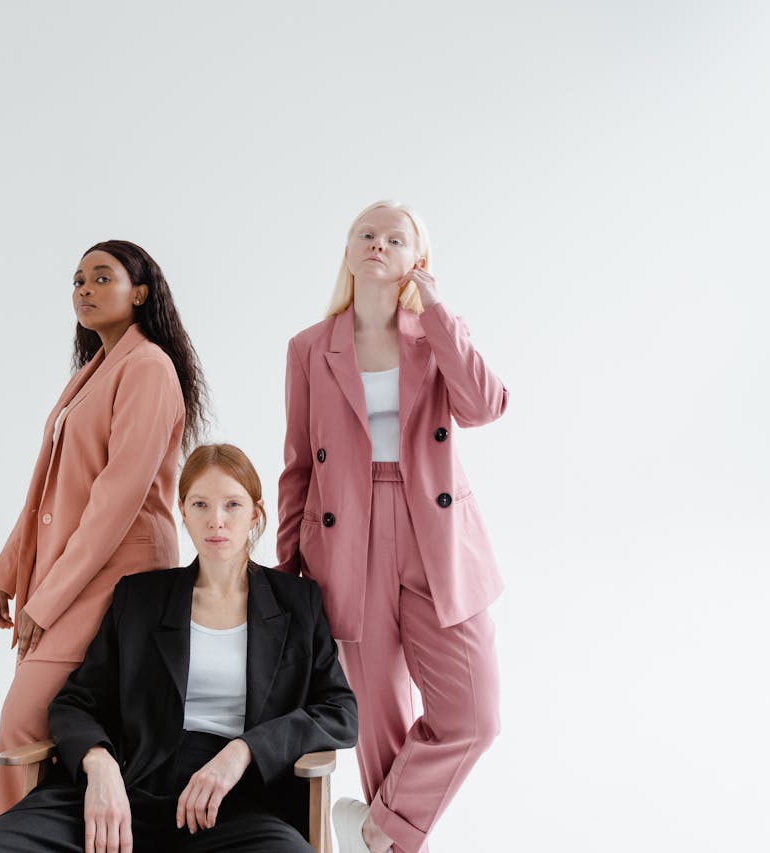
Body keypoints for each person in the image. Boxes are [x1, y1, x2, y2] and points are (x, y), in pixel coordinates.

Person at [0, 443, 358, 853]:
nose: (216, 521)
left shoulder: (297, 602)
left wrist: (245, 750)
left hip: (239, 805)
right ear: (182, 511)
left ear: (255, 512)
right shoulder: (140, 598)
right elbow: (76, 701)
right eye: (200, 504)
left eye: (232, 504)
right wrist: (99, 764)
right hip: (128, 786)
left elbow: (340, 711)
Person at [276, 201, 508, 853]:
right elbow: (297, 466)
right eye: (365, 233)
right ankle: (392, 842)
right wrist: (287, 579)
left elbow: (486, 405)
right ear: (348, 252)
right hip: (344, 538)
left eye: (394, 237)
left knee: (474, 713)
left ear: (416, 259)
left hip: (434, 531)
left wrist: (436, 311)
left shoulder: (435, 337)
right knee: (382, 721)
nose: (377, 243)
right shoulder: (308, 349)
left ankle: (377, 831)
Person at [0, 240, 209, 818]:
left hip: (116, 581)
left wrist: (48, 601)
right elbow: (46, 491)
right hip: (66, 574)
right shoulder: (92, 372)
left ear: (140, 292)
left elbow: (116, 500)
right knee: (54, 739)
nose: (84, 289)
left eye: (101, 278)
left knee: (23, 726)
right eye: (78, 280)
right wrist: (10, 572)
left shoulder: (150, 368)